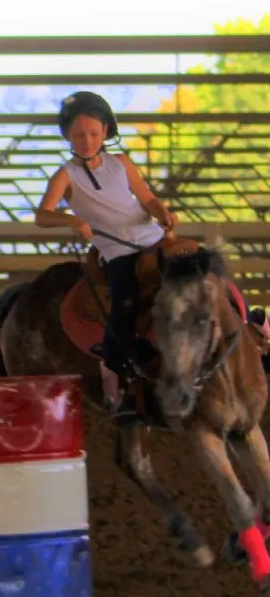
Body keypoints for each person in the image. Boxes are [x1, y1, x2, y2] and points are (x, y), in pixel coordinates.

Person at [35, 90, 178, 418]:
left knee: (199, 272)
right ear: (68, 137)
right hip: (116, 248)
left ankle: (253, 328)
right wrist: (71, 220)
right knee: (124, 303)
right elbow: (42, 215)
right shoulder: (65, 175)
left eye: (93, 134)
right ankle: (115, 374)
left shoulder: (121, 163)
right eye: (78, 135)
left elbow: (146, 199)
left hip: (152, 237)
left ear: (106, 133)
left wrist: (162, 212)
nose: (86, 141)